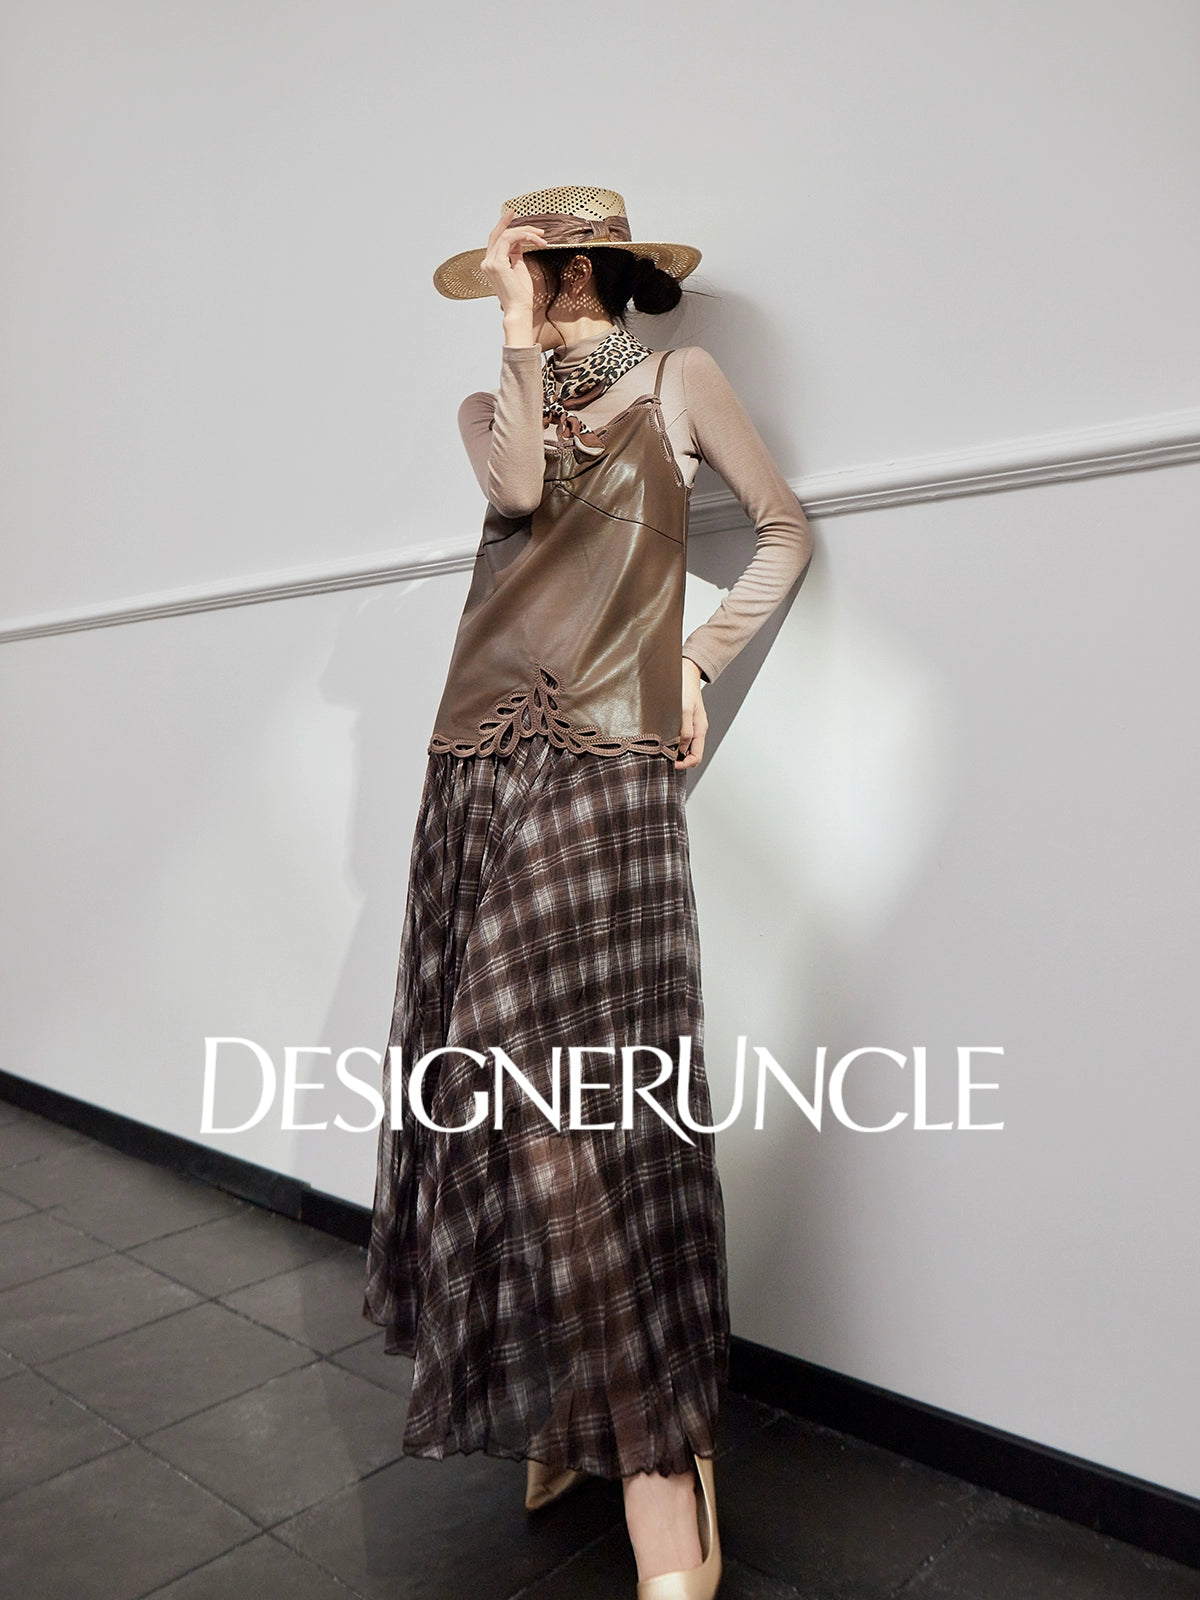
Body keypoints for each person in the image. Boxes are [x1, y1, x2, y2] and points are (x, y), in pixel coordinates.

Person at [363, 185, 813, 1600]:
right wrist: (511, 335)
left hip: (610, 764)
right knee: (500, 1089)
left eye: (546, 267)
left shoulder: (681, 381)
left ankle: (661, 1458)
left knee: (581, 1091)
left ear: (594, 266)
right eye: (521, 271)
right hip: (477, 762)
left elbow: (784, 530)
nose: (536, 287)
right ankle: (589, 1412)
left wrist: (694, 658)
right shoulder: (490, 405)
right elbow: (516, 494)